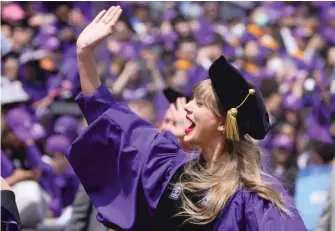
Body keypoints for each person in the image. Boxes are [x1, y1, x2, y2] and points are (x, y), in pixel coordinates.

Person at [67, 6, 306, 231]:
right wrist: (85, 55)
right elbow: (115, 124)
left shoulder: (254, 199)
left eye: (200, 104)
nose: (188, 108)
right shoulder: (168, 167)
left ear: (225, 122)